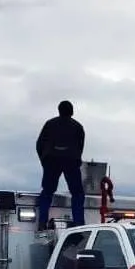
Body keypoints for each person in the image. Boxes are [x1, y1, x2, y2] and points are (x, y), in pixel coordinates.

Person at [35, 99, 86, 231]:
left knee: (47, 191)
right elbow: (80, 147)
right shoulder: (78, 127)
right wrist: (75, 159)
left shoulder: (50, 124)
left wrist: (44, 161)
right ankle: (79, 224)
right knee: (77, 193)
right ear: (72, 112)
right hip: (71, 161)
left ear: (59, 111)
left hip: (51, 160)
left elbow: (39, 144)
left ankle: (42, 223)